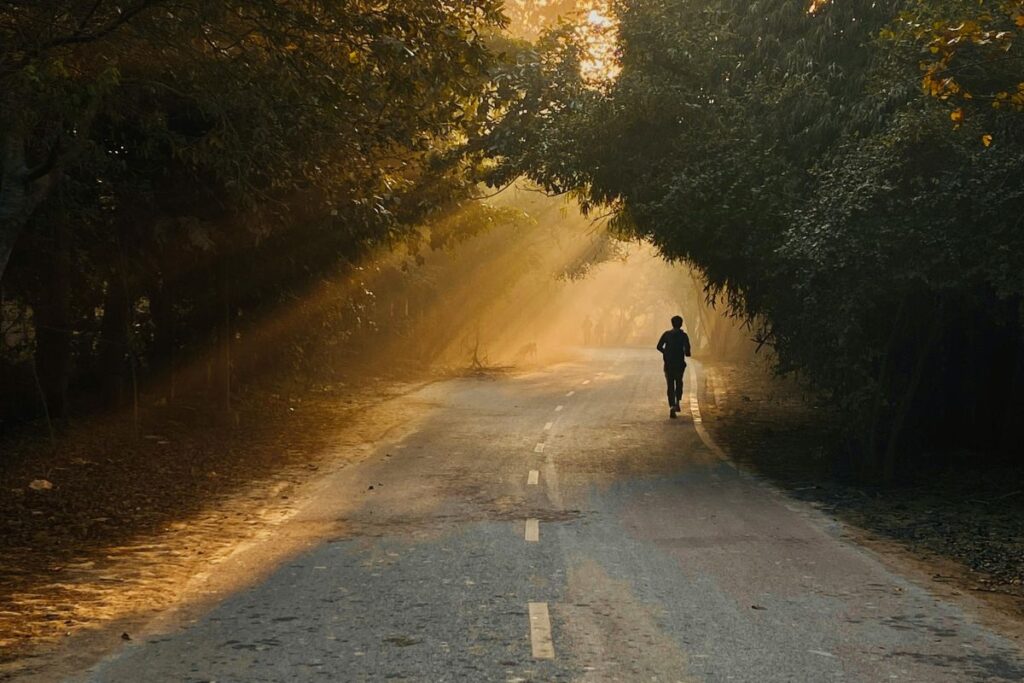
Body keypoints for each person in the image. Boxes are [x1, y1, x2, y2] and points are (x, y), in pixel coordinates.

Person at [656, 315, 691, 419]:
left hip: (668, 364)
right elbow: (688, 351)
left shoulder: (666, 334)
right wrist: (686, 352)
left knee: (670, 385)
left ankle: (672, 406)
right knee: (679, 382)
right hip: (679, 364)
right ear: (681, 324)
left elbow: (658, 346)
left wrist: (665, 352)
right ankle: (677, 401)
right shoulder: (684, 336)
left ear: (672, 324)